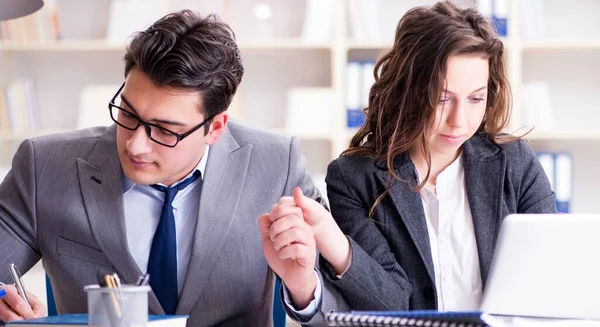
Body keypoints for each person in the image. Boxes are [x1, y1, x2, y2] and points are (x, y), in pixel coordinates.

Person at [0, 10, 325, 326]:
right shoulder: (44, 166)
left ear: (215, 127)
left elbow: (341, 305)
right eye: (128, 114)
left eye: (165, 130)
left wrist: (303, 286)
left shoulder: (277, 166)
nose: (134, 145)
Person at [262, 1, 556, 325]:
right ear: (409, 89)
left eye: (475, 98)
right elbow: (393, 305)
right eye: (443, 98)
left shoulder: (515, 164)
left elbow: (547, 283)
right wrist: (335, 243)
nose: (459, 120)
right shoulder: (355, 179)